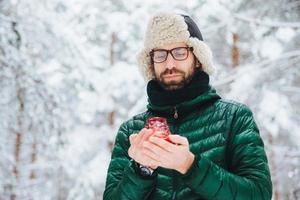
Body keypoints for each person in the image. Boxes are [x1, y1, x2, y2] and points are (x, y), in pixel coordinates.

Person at [103, 12, 272, 200]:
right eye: (160, 54)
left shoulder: (234, 118)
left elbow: (259, 195)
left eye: (179, 52)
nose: (169, 63)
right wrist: (141, 171)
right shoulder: (132, 132)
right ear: (151, 62)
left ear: (198, 58)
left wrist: (190, 165)